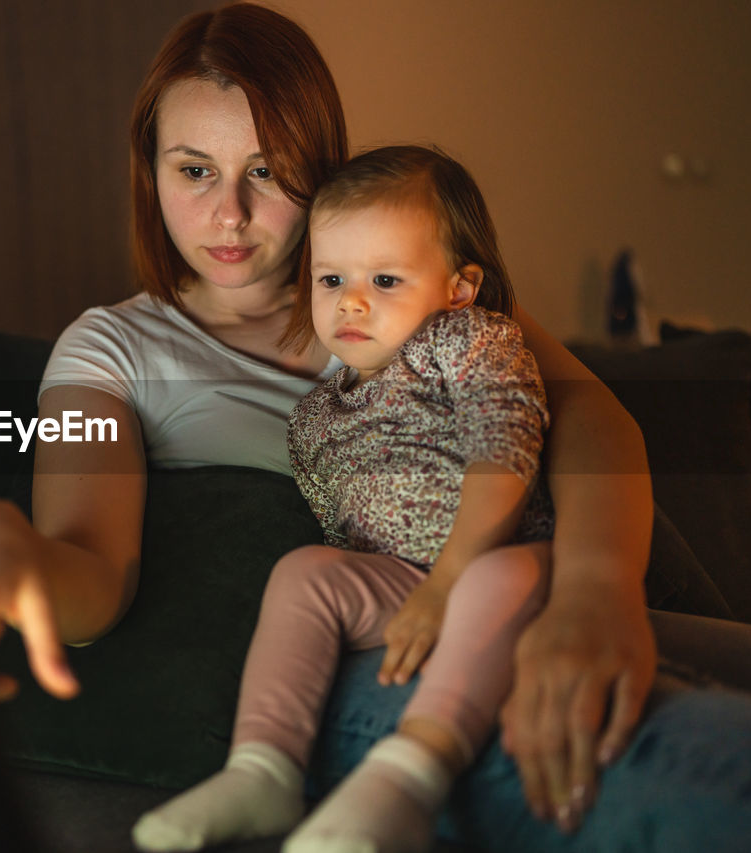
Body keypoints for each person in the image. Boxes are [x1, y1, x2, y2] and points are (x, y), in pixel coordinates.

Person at [0, 3, 751, 850]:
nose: (229, 213)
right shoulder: (110, 350)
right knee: (740, 761)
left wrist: (597, 594)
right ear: (148, 172)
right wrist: (15, 549)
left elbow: (592, 419)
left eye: (265, 172)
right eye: (194, 171)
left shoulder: (399, 278)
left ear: (320, 166)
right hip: (370, 654)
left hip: (552, 584)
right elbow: (90, 572)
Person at [133, 144, 556, 852]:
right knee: (305, 572)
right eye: (332, 278)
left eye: (385, 279)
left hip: (506, 565)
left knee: (496, 577)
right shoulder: (316, 416)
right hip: (403, 585)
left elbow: (505, 450)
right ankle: (263, 765)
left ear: (457, 287)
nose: (352, 300)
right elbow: (342, 537)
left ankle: (408, 778)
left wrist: (449, 579)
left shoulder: (468, 341)